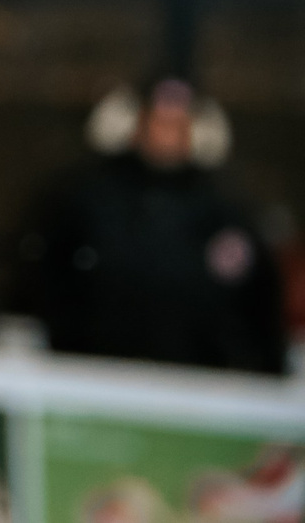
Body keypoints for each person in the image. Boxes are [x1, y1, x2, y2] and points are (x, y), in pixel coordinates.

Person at [17, 79, 288, 374]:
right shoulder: (83, 199)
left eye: (177, 125)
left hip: (196, 383)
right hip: (94, 375)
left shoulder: (226, 212)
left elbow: (260, 302)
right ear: (134, 127)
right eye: (157, 123)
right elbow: (42, 276)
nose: (166, 135)